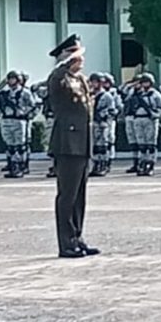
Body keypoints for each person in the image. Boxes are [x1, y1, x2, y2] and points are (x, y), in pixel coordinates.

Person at [47, 34, 99, 259]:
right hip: (67, 144)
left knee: (80, 195)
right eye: (77, 56)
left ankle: (77, 237)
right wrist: (64, 61)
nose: (82, 60)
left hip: (83, 143)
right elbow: (56, 78)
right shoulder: (59, 78)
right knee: (67, 195)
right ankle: (66, 243)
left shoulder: (80, 80)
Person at [0, 70, 36, 178]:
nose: (11, 81)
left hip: (19, 120)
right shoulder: (4, 93)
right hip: (6, 120)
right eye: (9, 79)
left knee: (20, 146)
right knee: (10, 146)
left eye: (13, 78)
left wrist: (26, 114)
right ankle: (13, 166)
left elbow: (33, 106)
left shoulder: (25, 92)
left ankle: (21, 167)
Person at [125, 73, 161, 177]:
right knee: (141, 144)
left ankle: (150, 164)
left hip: (150, 119)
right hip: (138, 119)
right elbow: (125, 95)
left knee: (151, 144)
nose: (145, 84)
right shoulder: (136, 94)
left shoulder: (155, 94)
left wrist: (156, 114)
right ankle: (142, 163)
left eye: (146, 82)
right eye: (143, 82)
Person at [89, 73, 119, 177]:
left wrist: (104, 117)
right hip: (93, 123)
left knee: (103, 145)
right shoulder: (90, 95)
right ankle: (95, 165)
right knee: (95, 146)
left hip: (103, 123)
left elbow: (112, 110)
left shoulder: (106, 96)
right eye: (92, 82)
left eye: (95, 82)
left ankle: (103, 165)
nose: (93, 84)